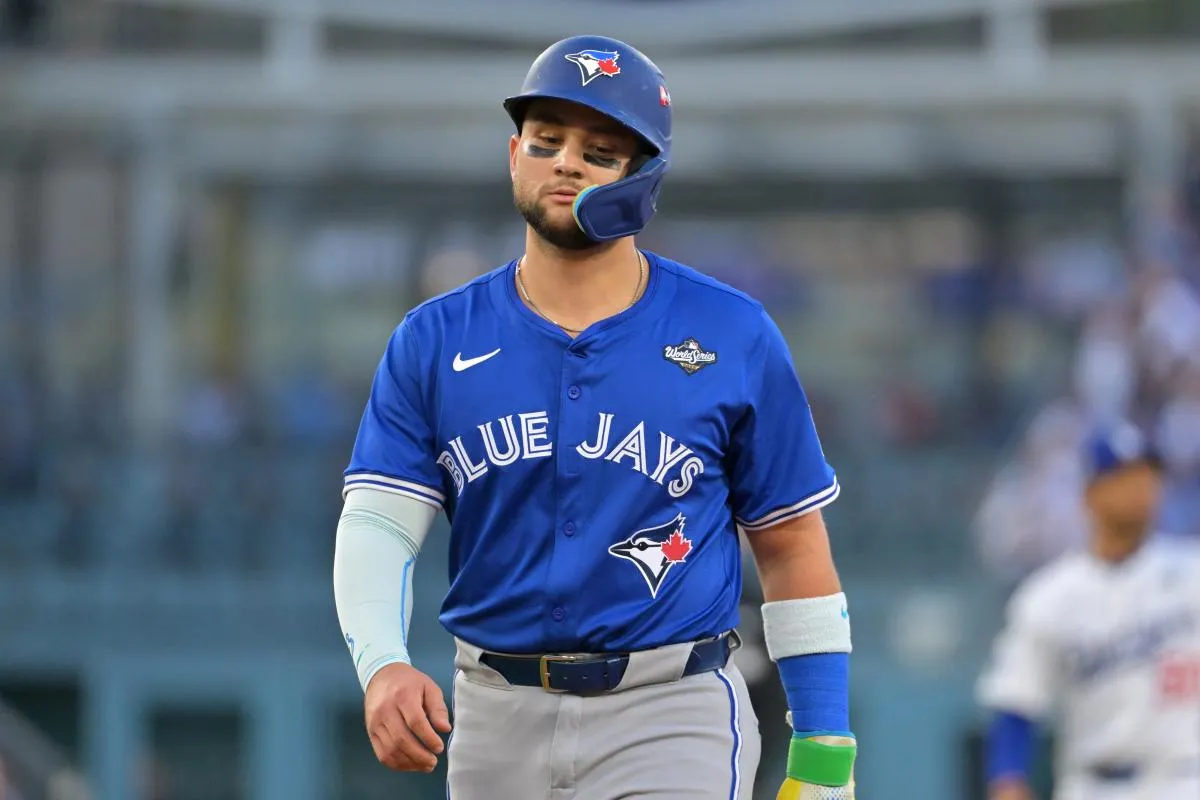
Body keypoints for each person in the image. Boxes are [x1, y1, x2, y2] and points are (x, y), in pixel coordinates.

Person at [333, 34, 857, 799]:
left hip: (670, 705)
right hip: (494, 710)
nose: (566, 162)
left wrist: (823, 752)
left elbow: (792, 547)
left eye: (600, 150)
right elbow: (378, 524)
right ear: (514, 154)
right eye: (546, 141)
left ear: (645, 179)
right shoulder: (434, 339)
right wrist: (380, 662)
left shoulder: (731, 334)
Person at [976, 421, 1200, 800]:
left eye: (1147, 475)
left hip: (1185, 780)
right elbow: (1014, 704)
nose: (1140, 489)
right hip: (1096, 785)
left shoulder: (1193, 573)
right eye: (1124, 477)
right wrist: (1008, 781)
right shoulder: (1048, 597)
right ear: (1090, 494)